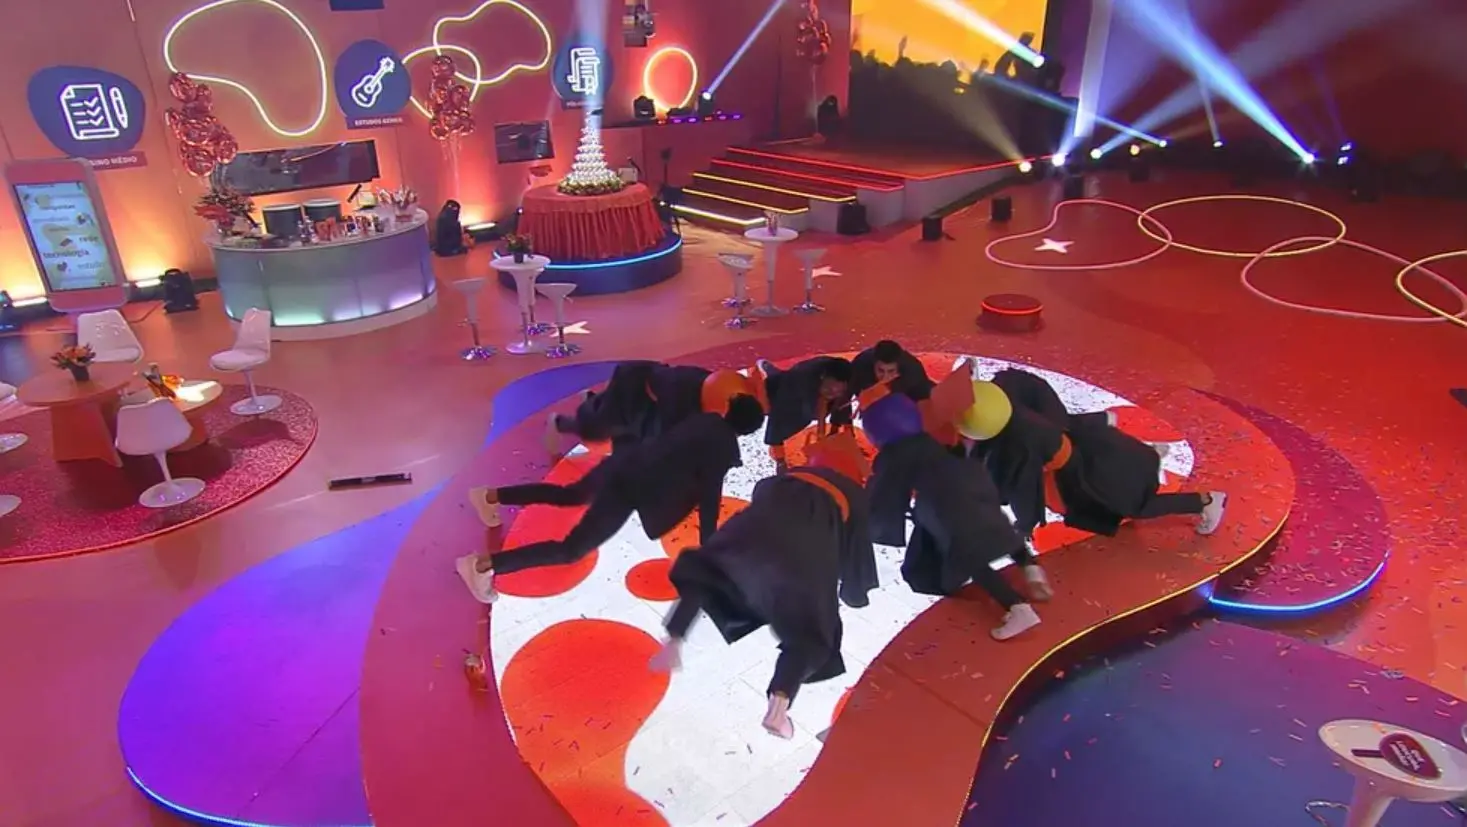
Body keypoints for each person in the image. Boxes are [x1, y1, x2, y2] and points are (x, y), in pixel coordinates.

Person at [649, 432, 879, 739]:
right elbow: (857, 553)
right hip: (800, 561)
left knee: (706, 574)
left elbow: (762, 498)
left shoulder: (776, 481)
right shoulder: (854, 495)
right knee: (810, 637)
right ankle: (779, 704)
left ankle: (674, 639)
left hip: (746, 541)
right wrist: (853, 592)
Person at [456, 396, 766, 603]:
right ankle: (483, 565)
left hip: (625, 462)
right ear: (748, 430)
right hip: (628, 489)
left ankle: (491, 495)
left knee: (569, 494)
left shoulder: (703, 419)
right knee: (570, 550)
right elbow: (710, 499)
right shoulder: (720, 447)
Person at [860, 382, 1044, 640]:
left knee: (965, 555)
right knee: (996, 526)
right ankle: (1031, 568)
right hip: (970, 479)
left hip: (943, 501)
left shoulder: (892, 456)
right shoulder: (926, 437)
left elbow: (884, 494)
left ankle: (1017, 608)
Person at [961, 379, 1227, 542]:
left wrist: (1024, 525)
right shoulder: (1011, 393)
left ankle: (1204, 501)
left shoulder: (1015, 447)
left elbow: (1022, 490)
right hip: (1091, 449)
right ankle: (1148, 456)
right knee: (1124, 461)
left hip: (1082, 475)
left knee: (1135, 505)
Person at [544, 361, 758, 456]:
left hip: (649, 391)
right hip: (632, 387)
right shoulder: (679, 401)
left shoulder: (718, 389)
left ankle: (593, 400)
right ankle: (560, 423)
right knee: (597, 431)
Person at [752, 356, 853, 471]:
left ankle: (773, 372)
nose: (833, 394)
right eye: (829, 389)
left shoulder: (847, 379)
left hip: (808, 387)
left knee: (835, 400)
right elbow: (777, 421)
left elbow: (842, 404)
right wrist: (780, 461)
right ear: (822, 377)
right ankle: (769, 370)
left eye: (839, 391)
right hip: (786, 388)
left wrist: (834, 431)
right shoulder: (799, 383)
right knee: (775, 393)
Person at [850, 340, 934, 402]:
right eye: (881, 370)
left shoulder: (914, 372)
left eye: (891, 371)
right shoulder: (859, 366)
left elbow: (925, 400)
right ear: (873, 364)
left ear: (899, 367)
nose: (885, 377)